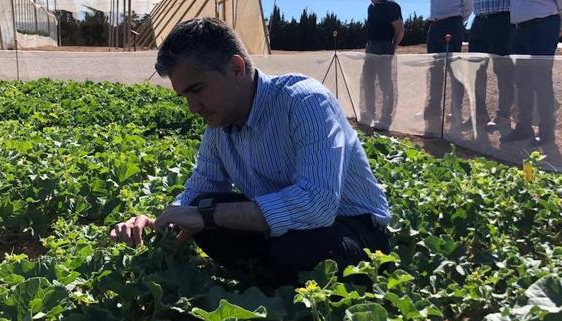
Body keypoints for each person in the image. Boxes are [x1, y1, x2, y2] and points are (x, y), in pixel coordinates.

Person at [110, 17, 392, 287]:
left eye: (197, 90)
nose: (192, 108)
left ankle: (268, 274)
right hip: (284, 233)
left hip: (353, 230)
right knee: (204, 204)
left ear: (236, 68)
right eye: (185, 96)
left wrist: (208, 215)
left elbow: (317, 205)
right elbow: (197, 193)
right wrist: (159, 222)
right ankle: (269, 275)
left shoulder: (305, 102)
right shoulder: (218, 127)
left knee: (291, 246)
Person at [500, 0, 561, 145]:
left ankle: (546, 133)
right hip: (519, 32)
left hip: (543, 29)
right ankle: (523, 127)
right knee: (522, 82)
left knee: (541, 80)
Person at [469, 0, 519, 132]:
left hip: (503, 21)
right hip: (480, 22)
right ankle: (480, 114)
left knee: (503, 71)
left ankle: (504, 115)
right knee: (477, 71)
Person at [424, 0, 473, 135]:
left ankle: (456, 110)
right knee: (434, 68)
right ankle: (434, 108)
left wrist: (458, 22)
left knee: (454, 69)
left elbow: (468, 3)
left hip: (452, 24)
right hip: (434, 26)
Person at [360, 0, 404, 131]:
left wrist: (392, 47)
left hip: (385, 48)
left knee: (386, 84)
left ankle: (385, 117)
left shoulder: (392, 6)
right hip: (370, 49)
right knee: (368, 82)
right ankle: (369, 113)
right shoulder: (371, 8)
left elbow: (399, 30)